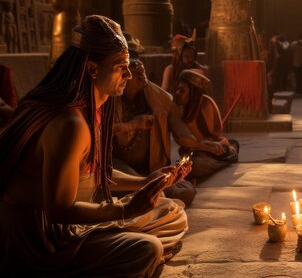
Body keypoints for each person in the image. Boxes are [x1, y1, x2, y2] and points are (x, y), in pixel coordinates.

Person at [0, 15, 189, 277]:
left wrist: (147, 181)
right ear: (92, 69)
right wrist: (126, 209)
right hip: (43, 241)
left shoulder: (90, 109)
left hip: (66, 224)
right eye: (120, 66)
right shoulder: (70, 124)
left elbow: (93, 174)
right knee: (147, 249)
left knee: (171, 210)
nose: (129, 74)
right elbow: (58, 210)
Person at [113, 59, 218, 206]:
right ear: (124, 76)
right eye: (135, 73)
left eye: (142, 72)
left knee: (187, 192)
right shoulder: (110, 100)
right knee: (112, 175)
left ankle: (146, 192)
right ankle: (147, 191)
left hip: (150, 170)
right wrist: (131, 126)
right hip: (120, 168)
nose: (141, 76)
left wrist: (203, 146)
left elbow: (183, 135)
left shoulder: (160, 100)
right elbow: (97, 133)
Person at [174, 69, 239, 179]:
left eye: (182, 91)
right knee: (189, 164)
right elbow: (182, 139)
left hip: (209, 150)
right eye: (177, 90)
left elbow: (211, 136)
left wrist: (203, 145)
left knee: (194, 166)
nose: (177, 94)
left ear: (193, 92)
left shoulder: (205, 104)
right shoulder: (176, 109)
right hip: (195, 150)